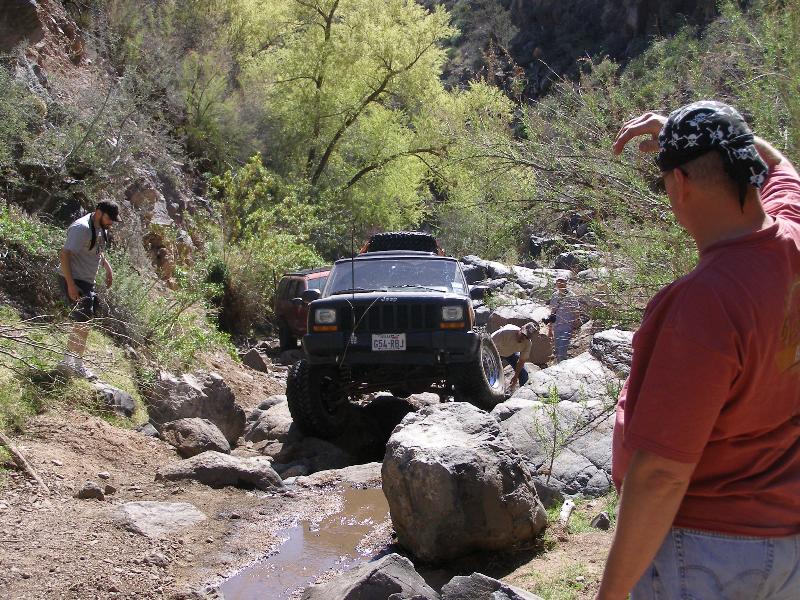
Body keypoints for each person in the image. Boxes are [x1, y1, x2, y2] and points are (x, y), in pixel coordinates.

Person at [596, 101, 800, 600]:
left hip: (704, 553)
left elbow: (662, 475)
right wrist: (705, 133)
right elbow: (783, 166)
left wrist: (611, 594)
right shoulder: (793, 234)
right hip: (786, 546)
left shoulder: (704, 302)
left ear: (679, 184)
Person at [57, 200, 121, 378]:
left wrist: (107, 267)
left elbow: (96, 249)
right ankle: (72, 364)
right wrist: (71, 285)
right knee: (83, 322)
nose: (111, 223)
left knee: (84, 322)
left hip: (86, 281)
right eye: (109, 218)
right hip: (74, 279)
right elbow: (64, 255)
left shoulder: (100, 227)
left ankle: (71, 362)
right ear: (99, 212)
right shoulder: (82, 228)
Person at [491, 322, 537, 389]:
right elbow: (488, 343)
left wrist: (515, 377)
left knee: (523, 375)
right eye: (523, 334)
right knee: (491, 372)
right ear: (521, 329)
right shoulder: (505, 332)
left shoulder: (527, 344)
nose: (523, 338)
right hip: (495, 352)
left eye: (527, 337)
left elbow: (521, 361)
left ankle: (523, 393)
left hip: (511, 354)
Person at [547, 276, 580, 362]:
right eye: (558, 282)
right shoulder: (554, 295)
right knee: (557, 349)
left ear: (566, 283)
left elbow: (576, 311)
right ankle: (561, 365)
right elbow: (552, 312)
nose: (560, 284)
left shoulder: (571, 296)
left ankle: (562, 365)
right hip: (557, 326)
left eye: (562, 281)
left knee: (562, 350)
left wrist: (576, 325)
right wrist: (550, 329)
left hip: (567, 326)